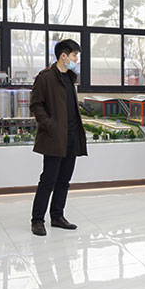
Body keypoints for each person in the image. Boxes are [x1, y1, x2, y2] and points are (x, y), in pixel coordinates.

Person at [30, 39, 88, 236]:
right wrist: (50, 125)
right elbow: (36, 105)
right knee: (48, 180)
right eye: (74, 55)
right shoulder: (45, 77)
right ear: (63, 56)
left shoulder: (70, 77)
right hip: (54, 136)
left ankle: (57, 216)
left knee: (64, 180)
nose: (76, 59)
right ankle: (37, 220)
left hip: (72, 136)